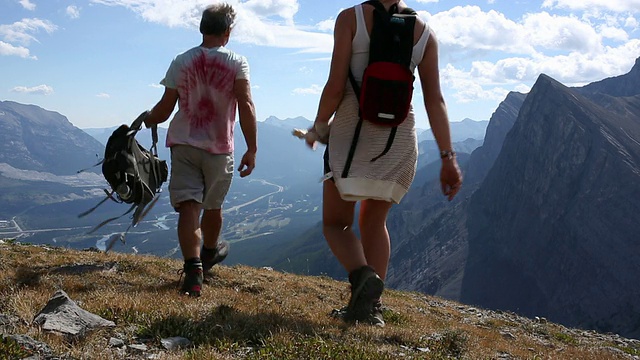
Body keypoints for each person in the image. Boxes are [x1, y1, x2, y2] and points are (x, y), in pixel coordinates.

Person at [305, 0, 462, 326]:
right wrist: (448, 157)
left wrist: (319, 126)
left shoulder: (350, 19)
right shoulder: (424, 33)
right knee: (375, 223)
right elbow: (435, 99)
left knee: (336, 224)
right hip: (398, 142)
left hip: (351, 138)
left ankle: (364, 276)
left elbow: (336, 87)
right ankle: (369, 308)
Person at [144, 3, 257, 297]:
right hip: (219, 147)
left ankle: (193, 271)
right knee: (213, 206)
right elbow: (245, 104)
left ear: (202, 29)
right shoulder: (237, 62)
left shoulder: (181, 61)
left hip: (183, 143)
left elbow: (165, 108)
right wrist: (252, 147)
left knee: (188, 207)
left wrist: (149, 118)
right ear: (227, 32)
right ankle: (208, 254)